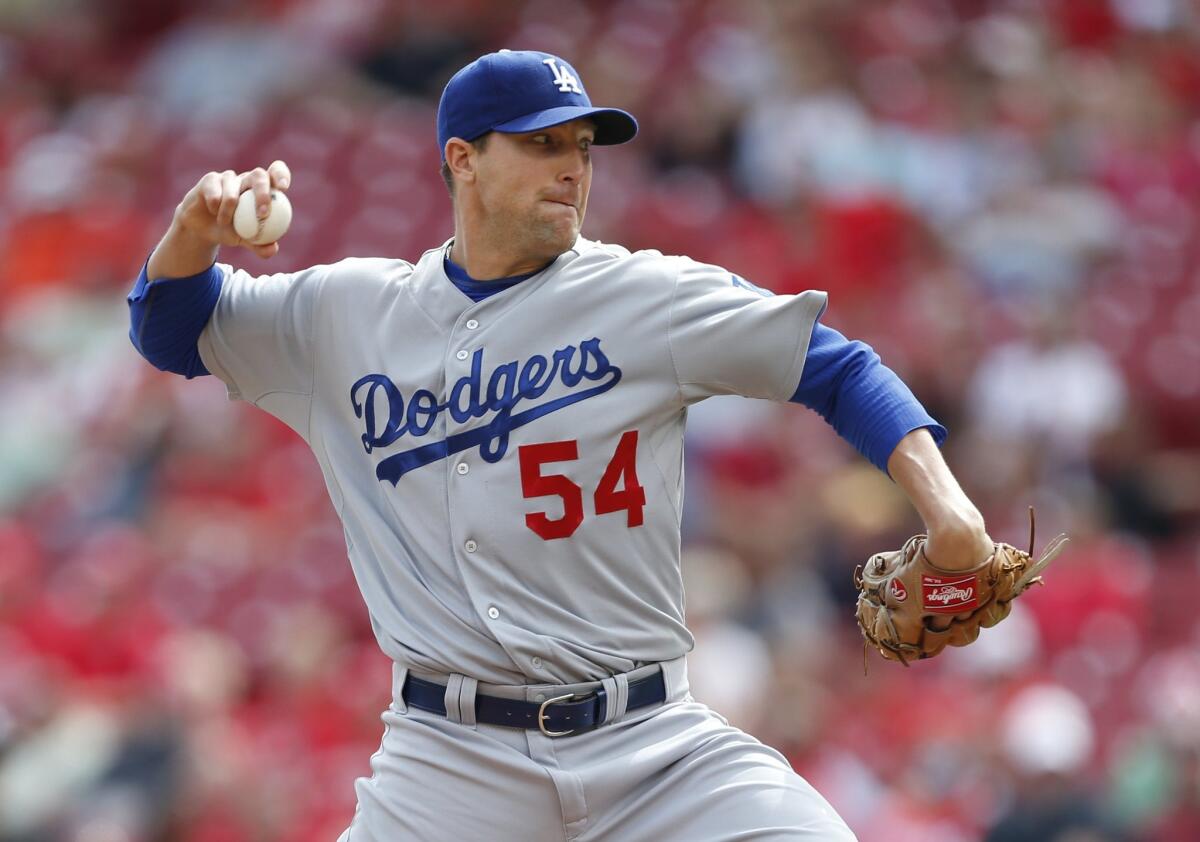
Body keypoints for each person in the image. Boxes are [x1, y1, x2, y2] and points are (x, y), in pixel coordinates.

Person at [129, 49, 993, 841]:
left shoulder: (645, 296)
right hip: (447, 766)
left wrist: (951, 513)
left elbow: (836, 369)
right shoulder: (345, 313)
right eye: (542, 145)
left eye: (582, 145)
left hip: (653, 746)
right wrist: (195, 231)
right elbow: (171, 329)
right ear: (462, 158)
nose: (574, 167)